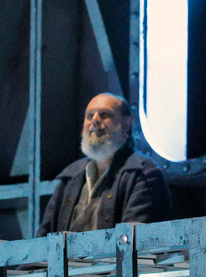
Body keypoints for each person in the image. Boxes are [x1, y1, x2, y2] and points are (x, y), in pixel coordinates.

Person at [35, 93, 171, 235]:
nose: (95, 121)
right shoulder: (69, 178)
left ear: (126, 124)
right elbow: (43, 239)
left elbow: (135, 242)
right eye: (89, 116)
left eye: (105, 115)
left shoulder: (143, 173)